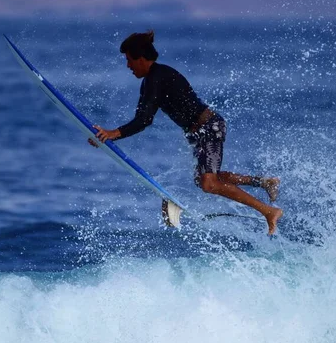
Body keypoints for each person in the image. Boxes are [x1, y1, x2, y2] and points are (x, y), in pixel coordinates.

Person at [90, 30, 283, 234]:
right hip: (198, 132)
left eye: (129, 60)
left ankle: (269, 212)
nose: (128, 66)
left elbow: (144, 120)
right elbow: (142, 118)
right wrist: (109, 136)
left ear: (141, 58)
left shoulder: (158, 77)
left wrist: (113, 133)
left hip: (209, 127)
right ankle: (263, 182)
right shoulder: (150, 81)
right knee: (205, 180)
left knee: (209, 183)